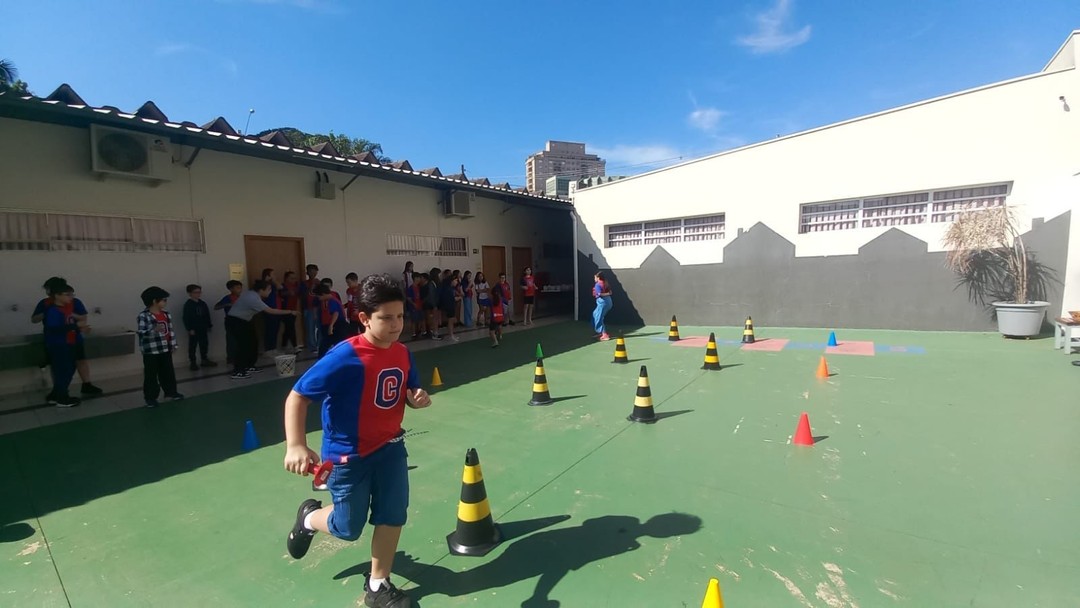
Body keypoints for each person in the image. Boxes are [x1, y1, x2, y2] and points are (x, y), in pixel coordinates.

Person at [283, 273, 432, 608]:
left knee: (392, 514)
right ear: (364, 318)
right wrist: (295, 444)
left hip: (392, 448)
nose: (396, 325)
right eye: (386, 318)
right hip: (348, 457)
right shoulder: (345, 356)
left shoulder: (403, 353)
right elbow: (298, 396)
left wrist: (416, 397)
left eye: (400, 317)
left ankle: (378, 584)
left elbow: (407, 390)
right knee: (347, 527)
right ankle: (308, 518)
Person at [32, 276, 104, 398]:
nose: (70, 297)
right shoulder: (46, 304)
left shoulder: (74, 302)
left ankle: (86, 384)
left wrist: (71, 316)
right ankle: (60, 390)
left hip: (74, 338)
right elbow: (35, 320)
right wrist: (50, 311)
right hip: (57, 340)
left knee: (78, 361)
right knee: (59, 365)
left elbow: (83, 318)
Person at [226, 280, 297, 380]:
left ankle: (249, 365)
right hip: (236, 321)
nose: (270, 292)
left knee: (253, 343)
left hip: (245, 321)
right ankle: (238, 371)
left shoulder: (253, 294)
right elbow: (270, 311)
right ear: (261, 290)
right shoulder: (252, 298)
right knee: (242, 346)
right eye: (268, 290)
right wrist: (290, 311)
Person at [136, 286, 184, 408]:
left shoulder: (166, 314)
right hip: (151, 350)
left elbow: (170, 331)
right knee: (151, 374)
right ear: (154, 301)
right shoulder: (144, 316)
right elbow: (141, 332)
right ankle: (151, 397)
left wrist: (173, 344)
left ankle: (171, 392)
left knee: (168, 371)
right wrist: (153, 330)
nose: (165, 302)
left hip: (165, 348)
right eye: (163, 300)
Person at [39, 281, 85, 407]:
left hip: (69, 343)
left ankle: (56, 394)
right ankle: (62, 398)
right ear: (57, 295)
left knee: (69, 368)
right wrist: (75, 326)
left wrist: (78, 327)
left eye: (72, 295)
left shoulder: (65, 310)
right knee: (63, 370)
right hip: (58, 345)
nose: (71, 297)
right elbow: (54, 329)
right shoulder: (53, 310)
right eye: (67, 295)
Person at [182, 284, 217, 371]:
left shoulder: (202, 303)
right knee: (193, 345)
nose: (198, 294)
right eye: (195, 292)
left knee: (204, 344)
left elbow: (207, 315)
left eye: (199, 292)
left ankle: (204, 359)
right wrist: (189, 328)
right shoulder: (188, 304)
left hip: (203, 327)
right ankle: (193, 362)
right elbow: (186, 317)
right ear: (190, 293)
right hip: (194, 328)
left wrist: (209, 325)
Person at [314, 283, 349, 358]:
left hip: (338, 326)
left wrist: (331, 326)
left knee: (328, 344)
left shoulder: (332, 301)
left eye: (318, 296)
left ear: (323, 294)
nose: (318, 298)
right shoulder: (328, 300)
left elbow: (335, 313)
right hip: (334, 326)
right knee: (329, 344)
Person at [214, 280, 243, 364]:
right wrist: (227, 304)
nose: (240, 290)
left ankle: (241, 356)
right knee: (231, 340)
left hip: (242, 320)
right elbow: (216, 307)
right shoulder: (228, 298)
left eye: (240, 288)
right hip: (231, 321)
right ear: (231, 289)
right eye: (237, 288)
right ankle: (231, 358)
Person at [592, 271, 613, 341]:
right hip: (608, 302)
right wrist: (608, 294)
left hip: (603, 303)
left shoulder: (597, 285)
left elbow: (599, 294)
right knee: (595, 314)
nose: (594, 278)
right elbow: (610, 292)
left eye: (594, 277)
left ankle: (605, 335)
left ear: (598, 278)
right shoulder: (605, 283)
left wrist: (606, 294)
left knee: (599, 317)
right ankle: (599, 331)